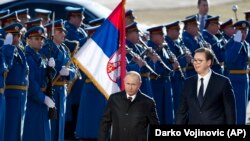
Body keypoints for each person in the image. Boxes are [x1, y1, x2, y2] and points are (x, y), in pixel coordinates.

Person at [176, 47, 236, 124]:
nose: (196, 63)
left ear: (209, 62)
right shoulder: (188, 83)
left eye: (200, 60)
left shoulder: (223, 82)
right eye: (195, 60)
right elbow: (181, 112)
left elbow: (230, 112)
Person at [40, 19, 76, 141]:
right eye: (60, 31)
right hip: (51, 90)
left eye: (63, 31)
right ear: (52, 33)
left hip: (62, 91)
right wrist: (53, 71)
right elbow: (41, 71)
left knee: (61, 125)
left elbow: (74, 68)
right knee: (51, 125)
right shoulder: (46, 48)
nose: (63, 34)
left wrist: (68, 72)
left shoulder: (65, 49)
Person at [98, 71, 159, 141]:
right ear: (124, 83)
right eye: (128, 84)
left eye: (133, 84)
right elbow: (105, 123)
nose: (130, 87)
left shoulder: (148, 102)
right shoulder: (114, 99)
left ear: (139, 84)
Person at [22, 26, 56, 141]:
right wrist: (43, 98)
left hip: (41, 102)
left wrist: (51, 69)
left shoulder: (41, 57)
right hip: (32, 102)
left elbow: (47, 80)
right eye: (36, 38)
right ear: (28, 40)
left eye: (42, 39)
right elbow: (31, 83)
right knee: (32, 134)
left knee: (43, 135)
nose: (40, 41)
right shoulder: (27, 58)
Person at [2, 23, 29, 141]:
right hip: (10, 96)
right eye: (14, 36)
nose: (18, 38)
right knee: (9, 130)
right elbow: (5, 69)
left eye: (19, 35)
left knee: (19, 130)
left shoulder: (20, 51)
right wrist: (7, 48)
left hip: (21, 97)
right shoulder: (4, 50)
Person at [224, 20, 250, 124]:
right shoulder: (232, 43)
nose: (243, 33)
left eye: (245, 31)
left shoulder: (245, 44)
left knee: (242, 111)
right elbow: (229, 60)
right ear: (235, 31)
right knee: (236, 111)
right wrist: (237, 43)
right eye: (241, 31)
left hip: (244, 80)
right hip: (234, 80)